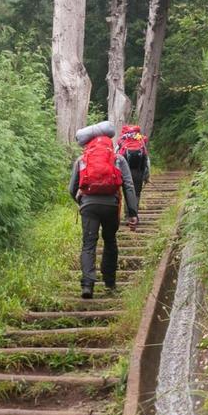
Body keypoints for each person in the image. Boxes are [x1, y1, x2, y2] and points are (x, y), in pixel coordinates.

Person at [69, 128, 139, 299]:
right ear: (110, 143)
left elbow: (72, 189)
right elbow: (128, 186)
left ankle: (87, 285)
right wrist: (132, 213)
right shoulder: (118, 159)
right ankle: (109, 282)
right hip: (111, 205)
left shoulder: (82, 160)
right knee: (109, 241)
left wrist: (82, 202)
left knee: (88, 244)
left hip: (89, 206)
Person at [116, 125, 151, 203]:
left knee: (127, 192)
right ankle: (135, 212)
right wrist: (147, 176)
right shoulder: (141, 139)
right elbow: (146, 160)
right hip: (139, 171)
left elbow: (116, 156)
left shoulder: (122, 140)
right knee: (137, 193)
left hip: (125, 172)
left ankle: (127, 213)